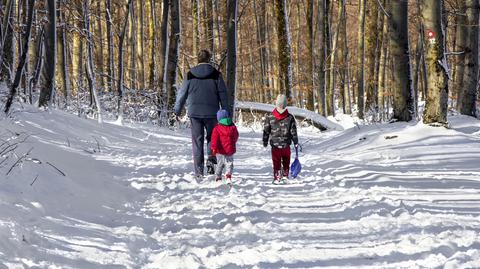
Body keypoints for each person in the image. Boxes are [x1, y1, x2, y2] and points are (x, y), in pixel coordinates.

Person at [174, 50, 229, 178]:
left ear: (198, 59)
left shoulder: (190, 74)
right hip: (212, 113)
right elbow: (223, 95)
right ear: (209, 59)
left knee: (197, 141)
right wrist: (226, 112)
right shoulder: (216, 74)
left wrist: (177, 110)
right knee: (212, 138)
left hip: (195, 113)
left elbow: (182, 94)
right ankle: (211, 160)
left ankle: (199, 171)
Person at [263, 94, 299, 184]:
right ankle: (285, 176)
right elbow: (293, 131)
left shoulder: (270, 116)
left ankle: (277, 176)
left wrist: (265, 141)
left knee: (276, 161)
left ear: (276, 103)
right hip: (286, 145)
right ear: (286, 104)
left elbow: (266, 130)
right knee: (286, 160)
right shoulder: (290, 117)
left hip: (275, 146)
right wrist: (296, 142)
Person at [211, 109, 239, 184]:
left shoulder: (216, 128)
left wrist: (213, 148)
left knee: (220, 164)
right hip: (230, 150)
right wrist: (232, 143)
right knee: (229, 163)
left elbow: (214, 140)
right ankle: (228, 176)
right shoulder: (233, 127)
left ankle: (218, 177)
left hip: (220, 151)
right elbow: (236, 136)